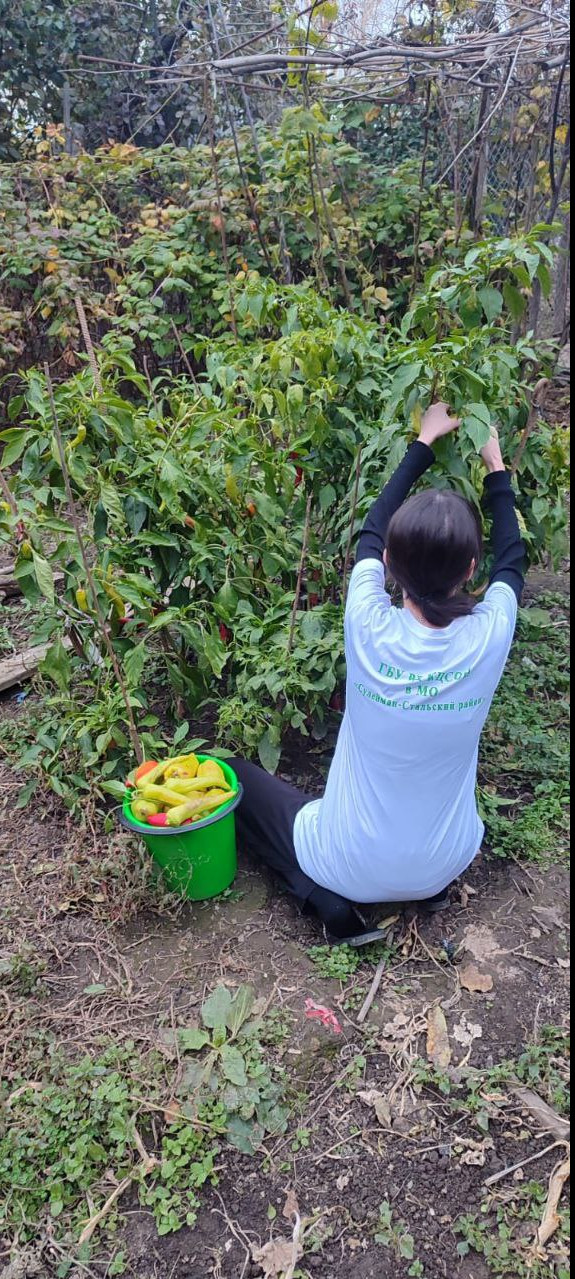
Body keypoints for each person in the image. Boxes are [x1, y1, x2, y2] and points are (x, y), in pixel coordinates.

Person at [232, 403, 525, 942]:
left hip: (348, 865)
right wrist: (494, 461)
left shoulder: (368, 625)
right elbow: (513, 559)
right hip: (446, 860)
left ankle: (324, 901)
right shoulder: (489, 634)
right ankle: (421, 890)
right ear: (469, 571)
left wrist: (422, 443)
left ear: (388, 563)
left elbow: (370, 530)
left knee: (238, 779)